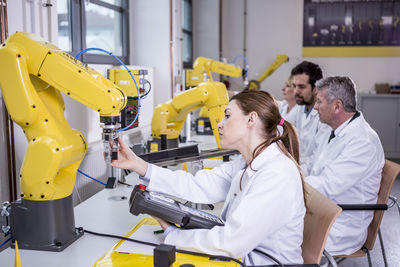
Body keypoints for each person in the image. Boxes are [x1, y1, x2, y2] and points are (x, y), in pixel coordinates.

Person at [111, 90, 306, 265]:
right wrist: (140, 166)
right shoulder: (246, 162)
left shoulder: (277, 174)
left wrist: (174, 235)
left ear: (251, 119)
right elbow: (198, 185)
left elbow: (231, 243)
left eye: (227, 116)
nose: (220, 124)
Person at [306, 76, 385, 256]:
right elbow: (311, 165)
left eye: (319, 101)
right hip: (322, 209)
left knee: (270, 231)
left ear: (337, 106)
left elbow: (326, 187)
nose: (315, 107)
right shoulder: (332, 130)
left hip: (340, 226)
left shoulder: (363, 141)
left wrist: (289, 181)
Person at [285, 61, 330, 174]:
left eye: (301, 87)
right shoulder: (300, 107)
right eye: (294, 86)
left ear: (316, 89)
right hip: (298, 167)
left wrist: (295, 171)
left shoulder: (325, 116)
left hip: (312, 174)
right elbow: (283, 124)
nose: (296, 91)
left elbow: (318, 158)